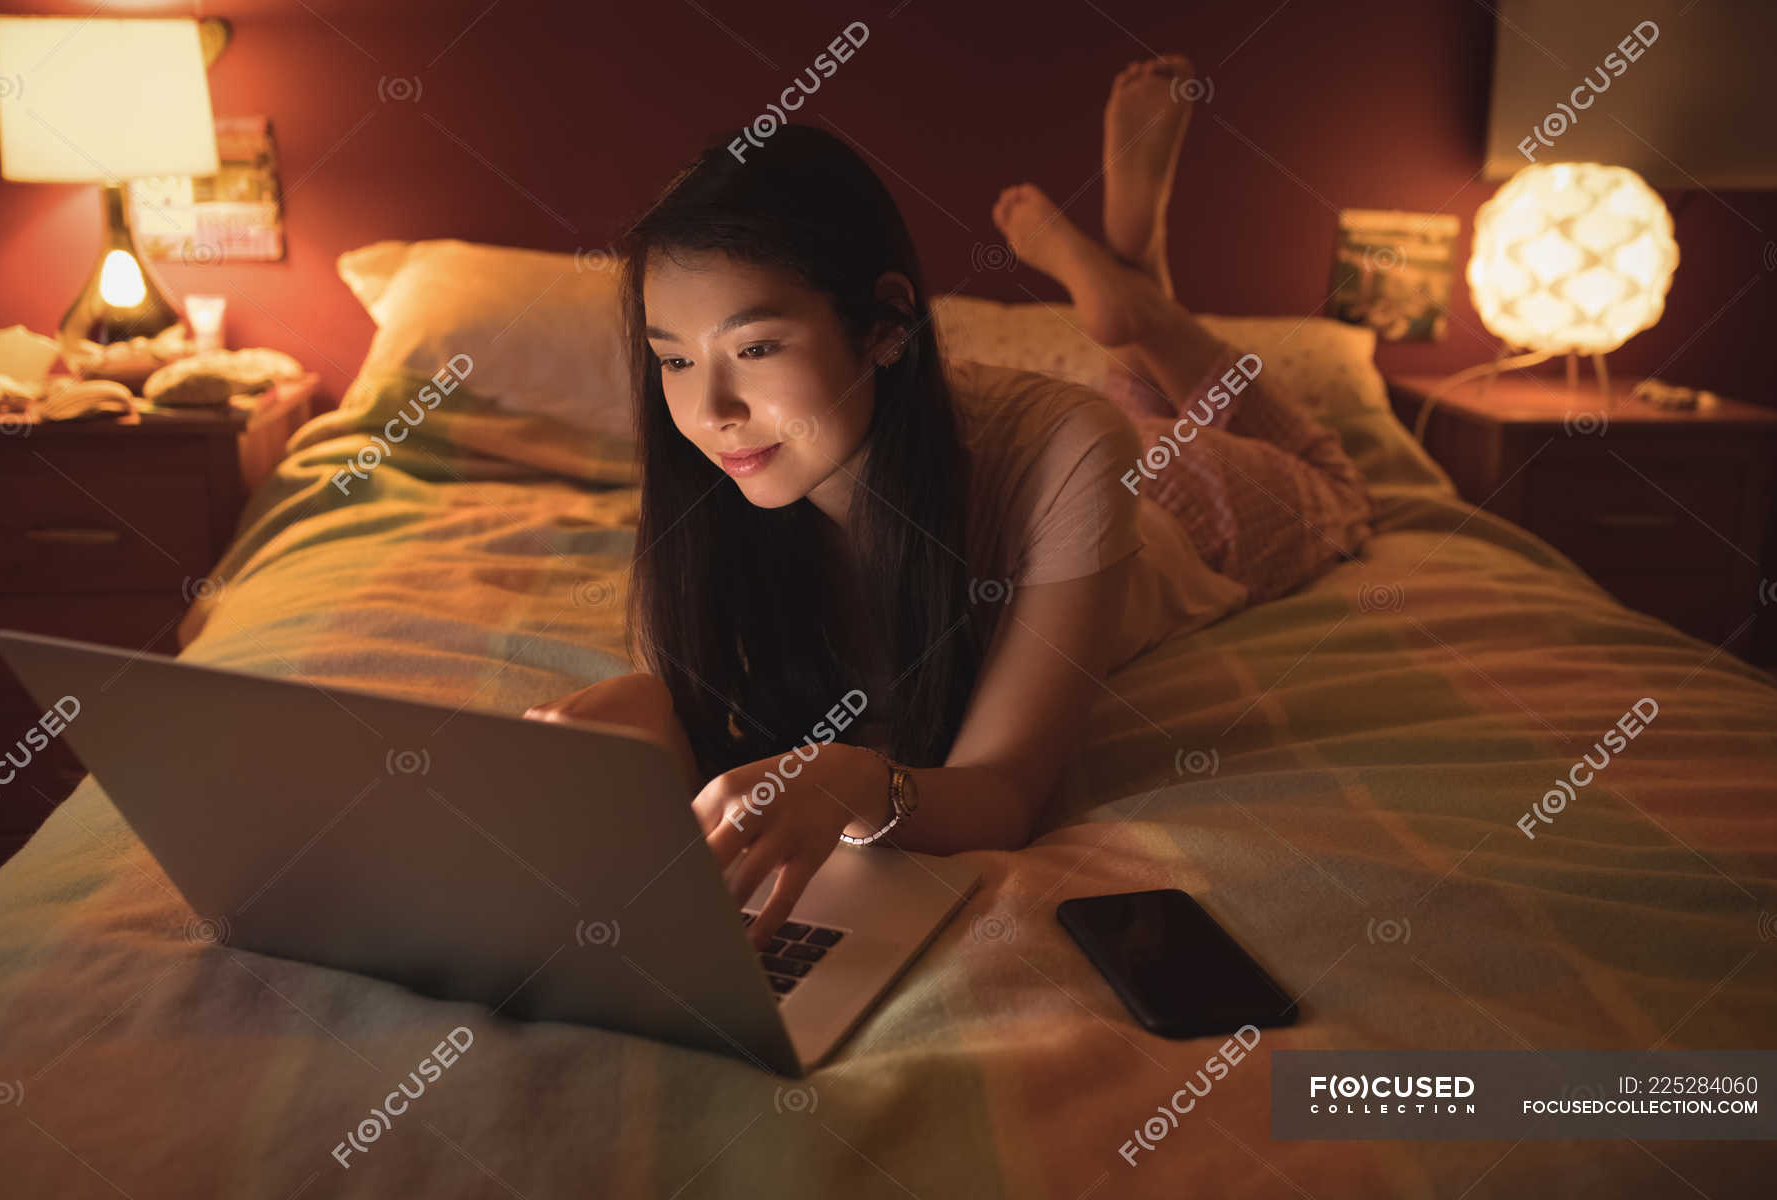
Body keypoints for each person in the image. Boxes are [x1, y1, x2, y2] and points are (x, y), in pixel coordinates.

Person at [526, 56, 1372, 949]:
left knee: (1332, 482)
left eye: (759, 347)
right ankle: (1132, 278)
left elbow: (1003, 788)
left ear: (887, 325)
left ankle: (1143, 313)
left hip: (1174, 509)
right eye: (675, 359)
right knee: (1132, 405)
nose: (711, 413)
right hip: (1040, 453)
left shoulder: (1069, 451)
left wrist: (858, 783)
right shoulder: (720, 474)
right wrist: (661, 721)